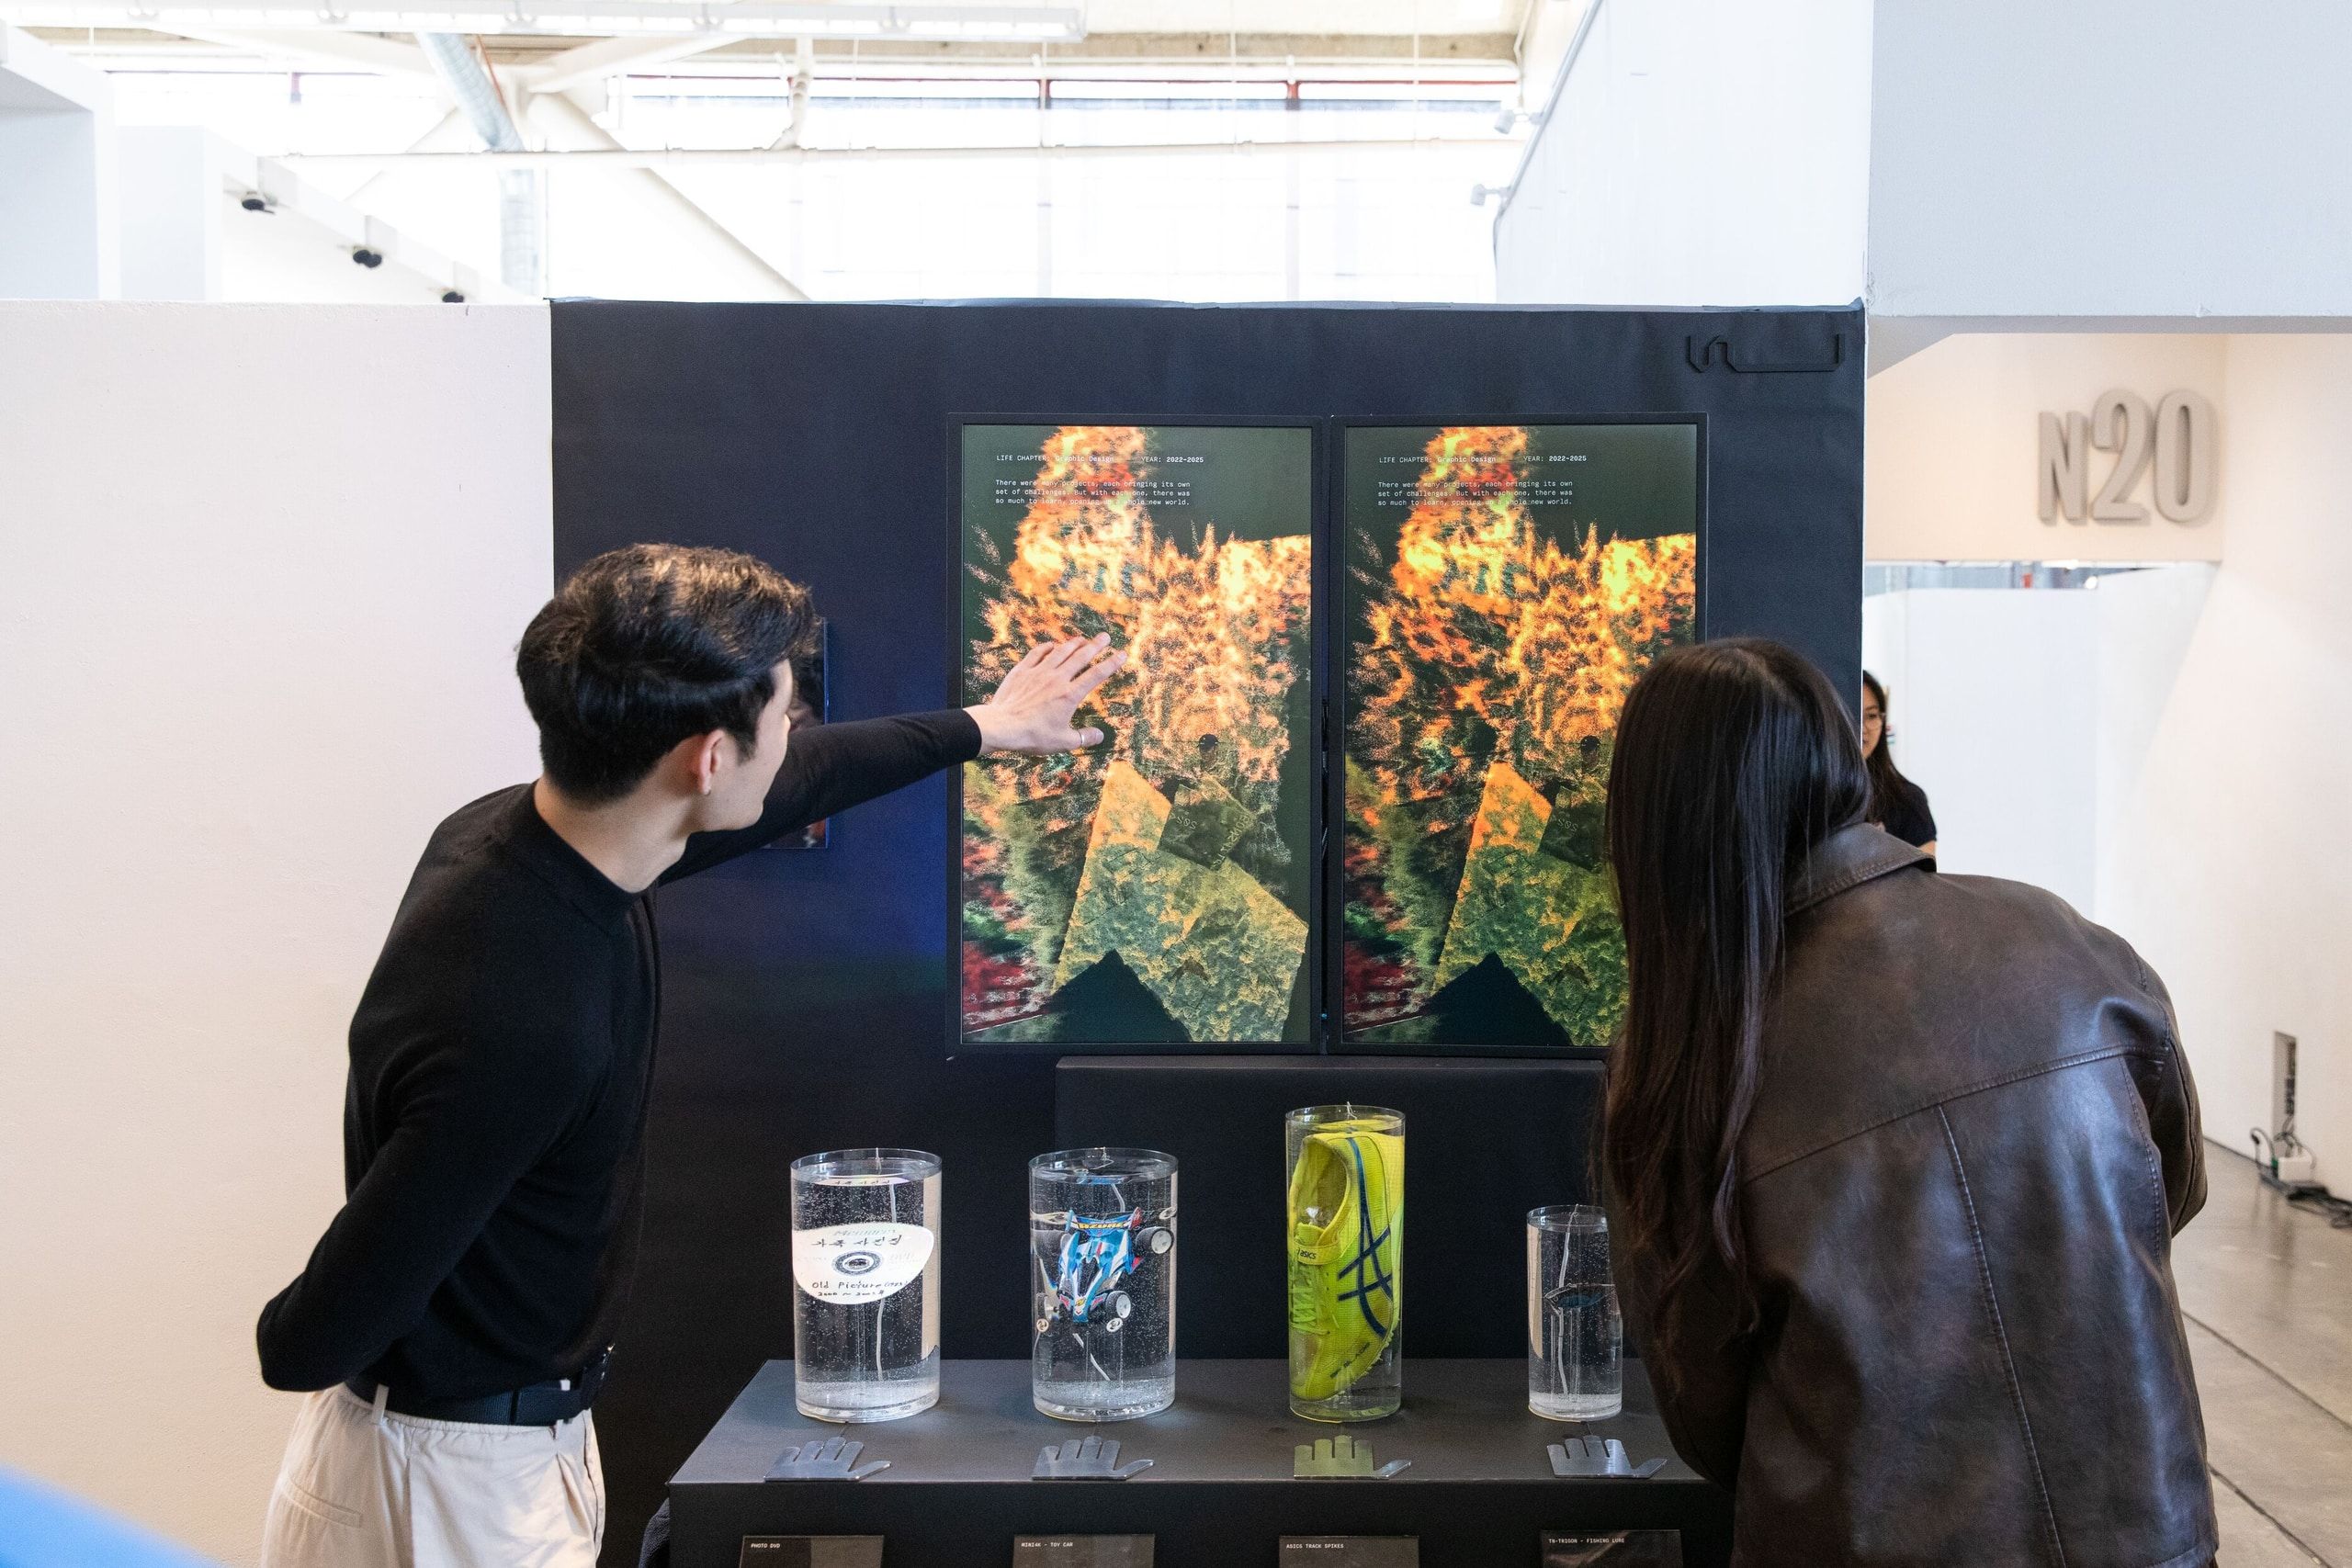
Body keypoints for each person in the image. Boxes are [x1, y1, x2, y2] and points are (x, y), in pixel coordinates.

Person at [254, 544, 1125, 1568]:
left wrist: (987, 728)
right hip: (443, 1490)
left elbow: (805, 779)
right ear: (706, 760)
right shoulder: (527, 1016)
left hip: (490, 1449)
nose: (793, 736)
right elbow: (307, 1343)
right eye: (783, 716)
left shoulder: (522, 838)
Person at [1600, 639, 2211, 1568]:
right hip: (2147, 1535)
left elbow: (1704, 1415)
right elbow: (2172, 1194)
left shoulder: (1696, 1065)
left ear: (1655, 830)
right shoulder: (2062, 938)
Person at [1860, 670, 1936, 853]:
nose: (1863, 729)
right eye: (1854, 714)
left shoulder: (1908, 800)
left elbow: (1923, 879)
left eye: (1871, 716)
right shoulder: (1812, 797)